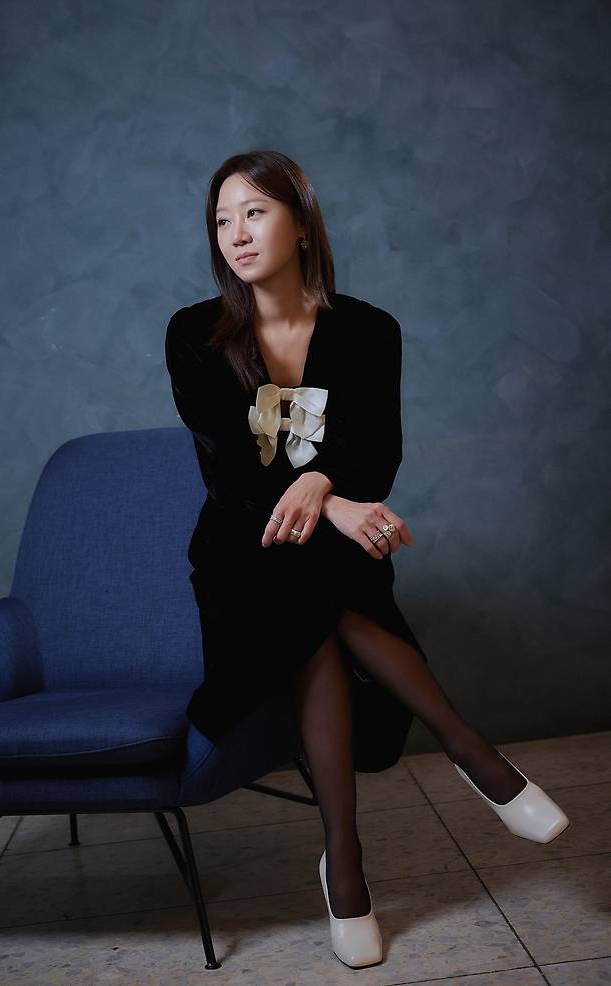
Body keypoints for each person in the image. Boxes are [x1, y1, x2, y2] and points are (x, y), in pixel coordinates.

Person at [164, 150, 569, 969]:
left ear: (301, 223)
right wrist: (334, 500)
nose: (236, 233)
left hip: (324, 563)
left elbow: (378, 451)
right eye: (222, 219)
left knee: (313, 591)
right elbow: (233, 475)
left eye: (255, 212)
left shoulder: (367, 331)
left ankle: (344, 861)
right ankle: (468, 751)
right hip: (239, 556)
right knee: (306, 581)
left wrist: (324, 487)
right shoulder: (194, 335)